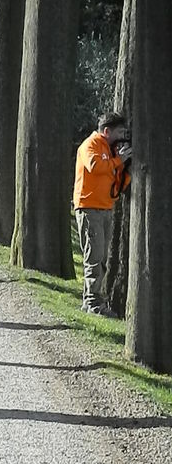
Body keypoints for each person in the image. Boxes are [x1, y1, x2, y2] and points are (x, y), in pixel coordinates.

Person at [73, 113, 132, 317]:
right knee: (94, 257)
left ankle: (91, 300)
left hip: (104, 207)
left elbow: (115, 180)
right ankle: (94, 304)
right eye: (119, 133)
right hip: (89, 208)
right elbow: (95, 167)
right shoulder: (90, 145)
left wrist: (124, 165)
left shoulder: (110, 149)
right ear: (107, 131)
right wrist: (118, 160)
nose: (122, 137)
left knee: (101, 258)